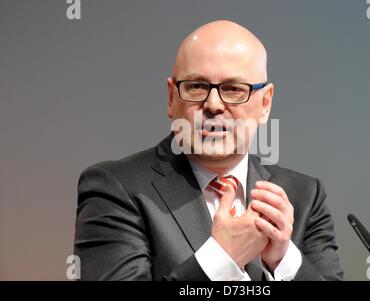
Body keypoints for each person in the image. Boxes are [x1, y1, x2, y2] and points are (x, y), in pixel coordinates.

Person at [74, 20, 343, 281]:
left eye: (234, 89)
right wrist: (221, 259)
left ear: (265, 103)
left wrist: (284, 260)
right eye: (196, 87)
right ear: (171, 98)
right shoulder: (116, 188)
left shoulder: (304, 196)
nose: (213, 104)